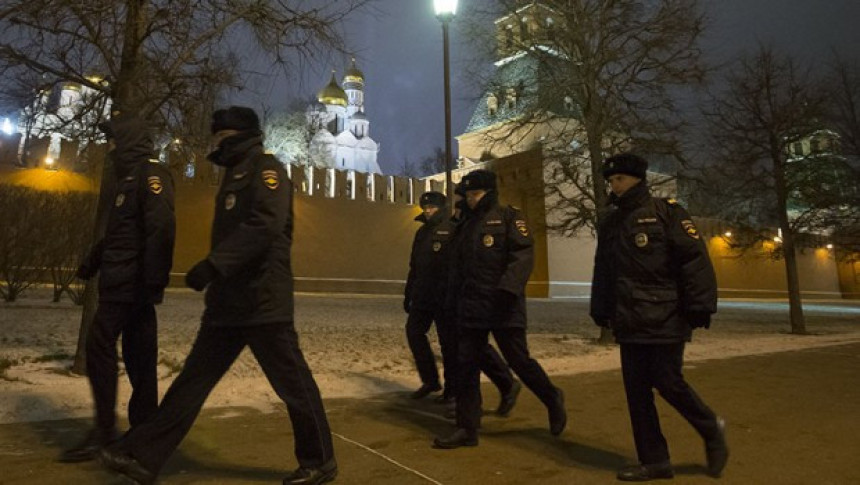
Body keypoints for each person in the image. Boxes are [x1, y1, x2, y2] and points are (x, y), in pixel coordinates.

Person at [99, 106, 336, 485]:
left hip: (263, 302)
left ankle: (320, 461)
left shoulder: (267, 170)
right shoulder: (235, 173)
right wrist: (218, 273)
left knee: (294, 386)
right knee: (190, 384)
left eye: (223, 137)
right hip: (228, 304)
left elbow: (266, 225)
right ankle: (143, 457)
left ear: (241, 137)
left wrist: (214, 264)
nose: (218, 144)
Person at [590, 153, 728, 481]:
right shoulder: (611, 222)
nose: (614, 185)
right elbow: (604, 270)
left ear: (637, 179)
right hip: (629, 317)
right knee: (636, 392)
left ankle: (711, 430)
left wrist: (699, 305)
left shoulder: (667, 213)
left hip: (666, 314)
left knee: (668, 382)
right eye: (611, 181)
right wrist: (600, 307)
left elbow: (694, 260)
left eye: (619, 179)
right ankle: (654, 461)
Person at [60, 114, 175, 463]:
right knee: (141, 359)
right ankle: (141, 433)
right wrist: (93, 261)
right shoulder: (129, 179)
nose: (109, 147)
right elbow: (120, 233)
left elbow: (161, 230)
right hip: (122, 281)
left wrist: (153, 281)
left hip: (131, 284)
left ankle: (106, 431)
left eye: (113, 140)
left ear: (127, 140)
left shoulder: (151, 175)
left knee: (101, 346)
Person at [434, 169, 566, 449]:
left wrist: (508, 290)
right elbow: (455, 269)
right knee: (465, 365)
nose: (471, 200)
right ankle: (467, 428)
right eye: (467, 195)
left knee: (519, 360)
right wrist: (450, 300)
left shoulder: (508, 217)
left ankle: (552, 397)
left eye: (476, 194)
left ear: (490, 193)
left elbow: (522, 255)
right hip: (471, 306)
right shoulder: (464, 226)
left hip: (503, 304)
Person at [404, 191, 458, 400]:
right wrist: (409, 293)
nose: (427, 211)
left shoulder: (452, 228)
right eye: (425, 208)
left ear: (441, 208)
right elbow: (414, 267)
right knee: (414, 333)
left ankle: (452, 389)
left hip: (444, 296)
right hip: (423, 295)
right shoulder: (422, 233)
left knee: (448, 343)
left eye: (432, 208)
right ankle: (430, 380)